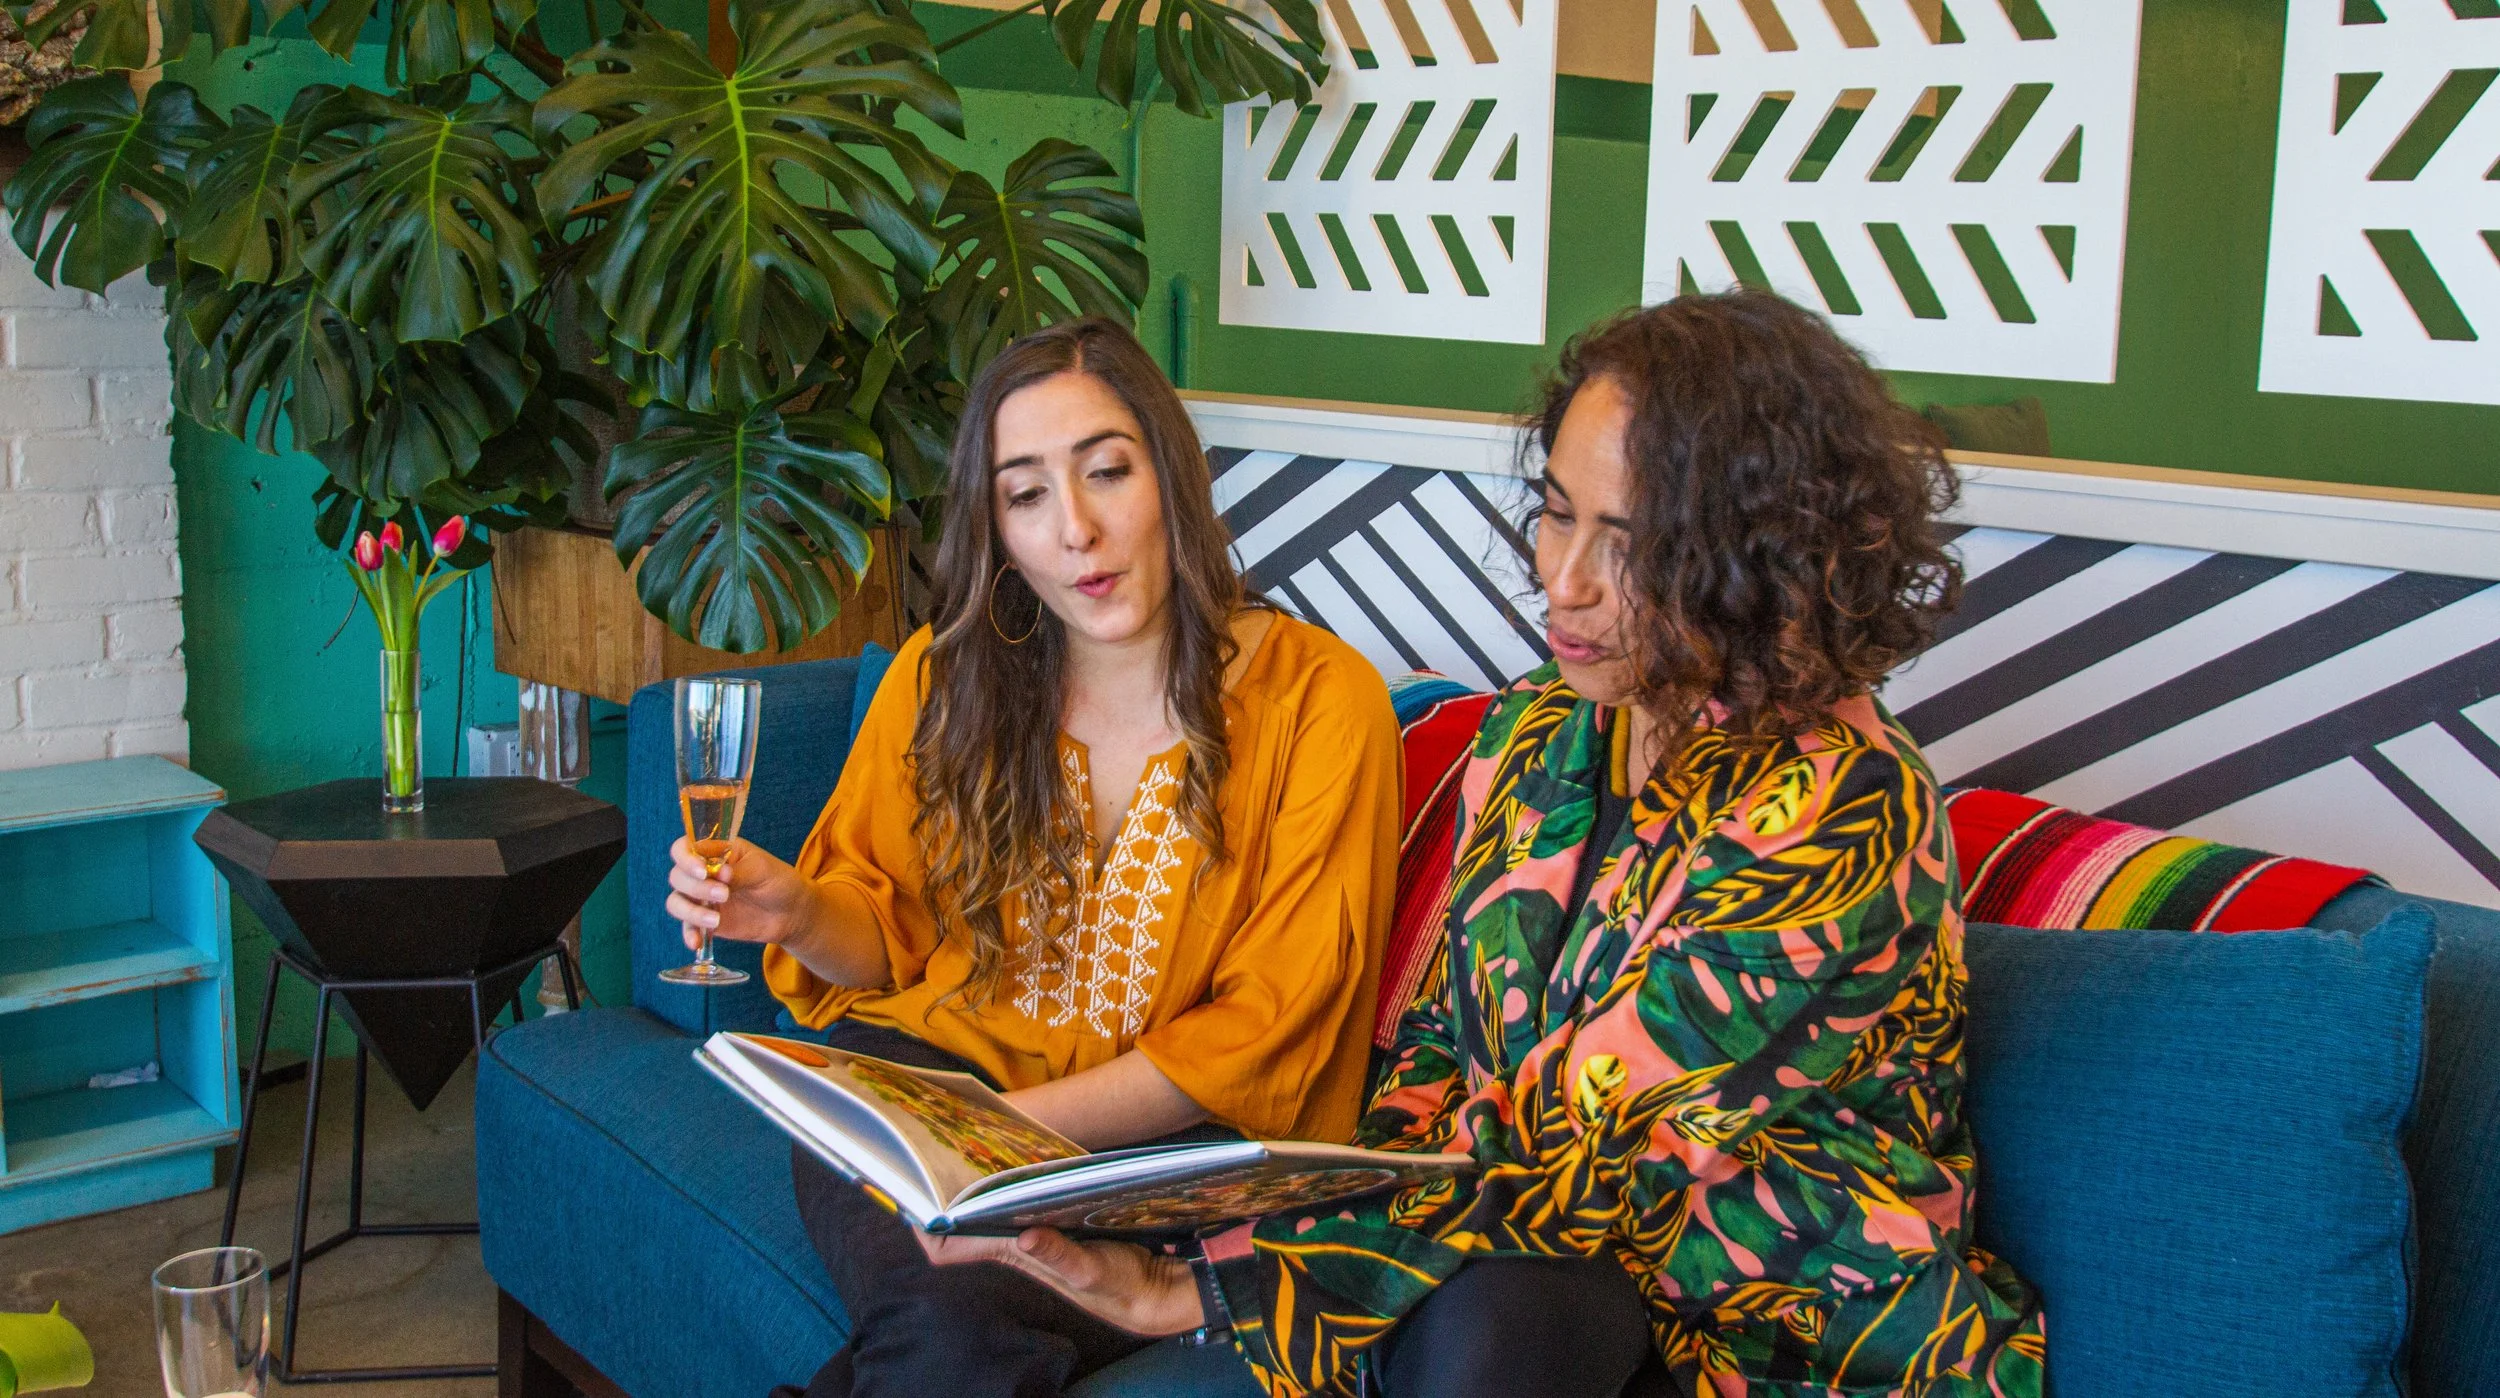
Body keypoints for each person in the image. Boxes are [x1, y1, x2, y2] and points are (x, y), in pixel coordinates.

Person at [923, 291, 2051, 1398]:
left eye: (1632, 542)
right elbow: (1438, 1057)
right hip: (1541, 1273)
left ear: (1764, 554)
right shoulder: (1539, 732)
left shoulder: (1844, 802)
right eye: (1558, 511)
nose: (1565, 581)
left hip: (1776, 1335)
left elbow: (1586, 1150)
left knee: (1502, 1303)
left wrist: (1212, 1289)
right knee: (991, 1278)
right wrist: (1221, 1216)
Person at [662, 317, 1405, 1397]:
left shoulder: (1319, 700)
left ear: (1173, 477)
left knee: (945, 1331)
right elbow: (886, 939)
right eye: (1026, 495)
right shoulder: (947, 675)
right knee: (943, 1316)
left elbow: (1270, 1028)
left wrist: (997, 1142)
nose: (1077, 531)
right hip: (920, 1095)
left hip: (1151, 1154)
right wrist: (797, 914)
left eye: (1107, 471)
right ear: (996, 527)